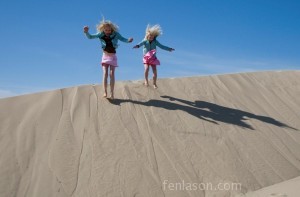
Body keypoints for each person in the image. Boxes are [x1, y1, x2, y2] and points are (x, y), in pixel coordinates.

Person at [84, 19, 133, 99]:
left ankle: (112, 93)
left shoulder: (116, 34)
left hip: (113, 56)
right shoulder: (100, 34)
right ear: (103, 29)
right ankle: (105, 92)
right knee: (105, 74)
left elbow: (123, 39)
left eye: (109, 30)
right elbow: (90, 37)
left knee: (112, 74)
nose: (108, 31)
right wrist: (86, 32)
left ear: (112, 29)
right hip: (105, 56)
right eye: (106, 30)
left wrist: (129, 40)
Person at [133, 24, 174, 88]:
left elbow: (162, 46)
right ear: (147, 36)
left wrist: (169, 49)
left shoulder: (155, 42)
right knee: (146, 69)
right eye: (150, 36)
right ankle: (146, 81)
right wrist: (137, 46)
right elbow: (140, 44)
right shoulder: (145, 41)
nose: (151, 37)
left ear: (154, 37)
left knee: (155, 71)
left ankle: (154, 83)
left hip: (153, 58)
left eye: (152, 36)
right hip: (146, 58)